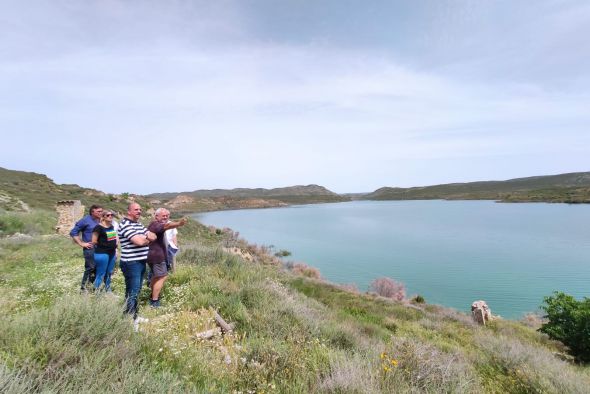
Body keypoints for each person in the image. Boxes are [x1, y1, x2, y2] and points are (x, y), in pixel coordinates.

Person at [117, 202, 156, 324]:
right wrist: (146, 238)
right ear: (129, 211)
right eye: (136, 209)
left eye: (140, 209)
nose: (139, 211)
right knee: (132, 292)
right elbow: (139, 241)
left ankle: (133, 316)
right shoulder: (125, 225)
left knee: (136, 291)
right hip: (131, 263)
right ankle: (131, 320)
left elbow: (153, 236)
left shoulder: (137, 224)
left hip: (140, 261)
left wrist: (145, 238)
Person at [147, 208, 187, 307]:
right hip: (157, 257)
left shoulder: (155, 224)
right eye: (163, 215)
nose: (165, 217)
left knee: (156, 276)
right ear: (156, 216)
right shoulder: (156, 225)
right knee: (162, 276)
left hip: (154, 255)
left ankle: (151, 294)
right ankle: (154, 300)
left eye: (167, 215)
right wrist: (179, 223)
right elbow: (167, 225)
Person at [70, 204, 103, 292]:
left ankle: (95, 288)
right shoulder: (85, 220)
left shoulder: (101, 220)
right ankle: (83, 289)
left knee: (98, 268)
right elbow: (73, 232)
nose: (101, 213)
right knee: (90, 268)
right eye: (98, 211)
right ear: (92, 212)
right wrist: (82, 243)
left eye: (101, 211)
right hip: (90, 248)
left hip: (101, 249)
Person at [91, 209, 118, 292]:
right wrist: (105, 245)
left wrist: (116, 249)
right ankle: (96, 291)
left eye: (111, 215)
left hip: (112, 252)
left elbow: (113, 239)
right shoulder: (98, 227)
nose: (110, 216)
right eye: (108, 215)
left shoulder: (111, 226)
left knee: (109, 272)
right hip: (102, 253)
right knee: (101, 273)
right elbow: (94, 241)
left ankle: (108, 289)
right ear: (103, 217)